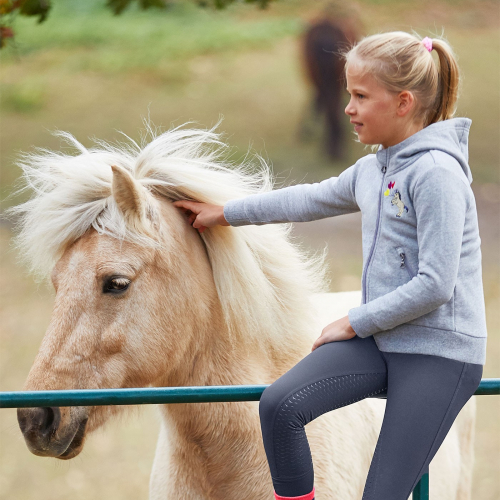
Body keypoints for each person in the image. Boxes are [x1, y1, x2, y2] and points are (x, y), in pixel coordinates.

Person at [173, 31, 487, 500]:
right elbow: (307, 199)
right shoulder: (373, 170)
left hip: (439, 353)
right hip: (385, 340)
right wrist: (225, 213)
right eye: (349, 95)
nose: (348, 109)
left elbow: (436, 285)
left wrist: (355, 321)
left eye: (361, 96)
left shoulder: (437, 174)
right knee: (280, 406)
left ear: (403, 103)